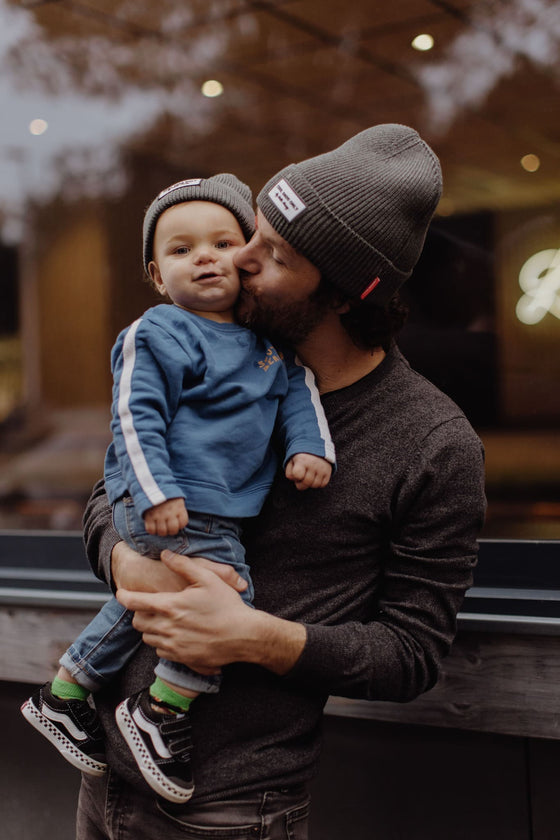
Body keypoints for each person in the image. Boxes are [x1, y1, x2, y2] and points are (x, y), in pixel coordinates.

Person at [78, 124, 486, 839]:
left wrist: (257, 638)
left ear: (340, 294)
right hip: (99, 781)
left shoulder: (432, 444)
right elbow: (107, 490)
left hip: (234, 808)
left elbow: (412, 653)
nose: (239, 255)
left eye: (273, 253)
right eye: (254, 233)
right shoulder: (205, 351)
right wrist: (126, 556)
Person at [20, 174, 334, 805]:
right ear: (158, 277)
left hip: (220, 508)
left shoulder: (269, 350)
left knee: (153, 604)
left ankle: (67, 693)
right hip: (169, 501)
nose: (205, 257)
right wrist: (157, 492)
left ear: (247, 261)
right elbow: (135, 420)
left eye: (222, 242)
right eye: (182, 249)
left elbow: (302, 394)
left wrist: (310, 448)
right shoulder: (159, 332)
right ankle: (161, 710)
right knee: (221, 596)